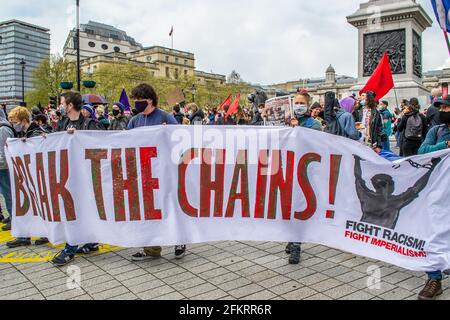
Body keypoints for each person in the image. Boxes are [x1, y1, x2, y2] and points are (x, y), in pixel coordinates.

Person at [126, 83, 187, 261]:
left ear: (150, 100)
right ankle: (152, 249)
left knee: (171, 206)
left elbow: (180, 141)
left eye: (140, 100)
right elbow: (124, 143)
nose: (136, 103)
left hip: (165, 171)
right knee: (149, 210)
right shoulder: (134, 121)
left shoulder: (165, 117)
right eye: (135, 100)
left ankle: (179, 240)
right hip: (145, 172)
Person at [51, 92, 105, 267]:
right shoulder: (62, 123)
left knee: (80, 210)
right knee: (74, 210)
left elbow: (100, 146)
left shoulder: (90, 124)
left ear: (70, 105)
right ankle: (90, 241)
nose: (60, 106)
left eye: (62, 103)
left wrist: (78, 137)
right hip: (68, 176)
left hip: (86, 177)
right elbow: (53, 143)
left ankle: (70, 248)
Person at [416, 97, 450, 300]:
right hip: (438, 187)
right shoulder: (435, 130)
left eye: (447, 107)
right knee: (434, 231)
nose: (443, 110)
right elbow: (423, 151)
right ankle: (433, 279)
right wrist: (445, 145)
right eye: (442, 107)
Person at [3, 107, 50, 247]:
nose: (13, 125)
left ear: (24, 120)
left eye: (15, 122)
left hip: (37, 176)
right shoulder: (24, 133)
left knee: (38, 204)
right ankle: (26, 235)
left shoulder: (37, 132)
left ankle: (44, 233)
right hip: (28, 176)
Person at [288, 90, 322, 265]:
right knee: (286, 207)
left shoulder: (314, 124)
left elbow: (315, 146)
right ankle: (290, 238)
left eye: (302, 103)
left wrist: (297, 130)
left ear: (308, 105)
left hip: (303, 172)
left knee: (298, 207)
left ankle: (296, 245)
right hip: (285, 169)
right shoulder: (285, 121)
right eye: (296, 102)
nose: (299, 106)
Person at [0, 107, 15, 227]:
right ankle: (11, 216)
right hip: (2, 166)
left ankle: (13, 217)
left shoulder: (3, 129)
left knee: (8, 193)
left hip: (3, 167)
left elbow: (4, 150)